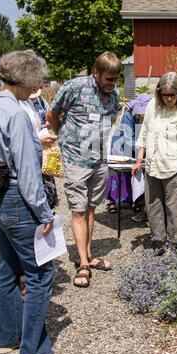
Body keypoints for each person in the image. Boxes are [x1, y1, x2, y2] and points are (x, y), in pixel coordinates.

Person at [0, 50, 68, 354]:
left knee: (7, 267)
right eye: (37, 78)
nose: (40, 84)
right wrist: (44, 212)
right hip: (18, 200)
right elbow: (28, 171)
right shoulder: (18, 114)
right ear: (26, 78)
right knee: (39, 275)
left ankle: (7, 338)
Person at [47, 52, 121, 288]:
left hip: (99, 160)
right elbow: (53, 113)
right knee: (78, 210)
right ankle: (82, 264)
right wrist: (59, 139)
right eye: (108, 79)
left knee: (91, 208)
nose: (112, 83)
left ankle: (88, 254)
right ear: (96, 72)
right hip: (76, 159)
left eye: (115, 79)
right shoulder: (74, 87)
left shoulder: (114, 94)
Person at [132, 71, 177, 254]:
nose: (169, 98)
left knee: (175, 209)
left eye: (173, 95)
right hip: (153, 166)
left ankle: (174, 246)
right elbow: (144, 134)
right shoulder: (152, 108)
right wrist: (139, 160)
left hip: (176, 167)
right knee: (153, 207)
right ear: (159, 93)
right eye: (165, 94)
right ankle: (159, 242)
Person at [106, 93, 151, 221]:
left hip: (136, 148)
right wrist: (143, 150)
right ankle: (113, 202)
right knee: (119, 176)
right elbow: (127, 139)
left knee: (135, 173)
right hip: (121, 146)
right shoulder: (128, 116)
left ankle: (136, 202)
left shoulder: (150, 117)